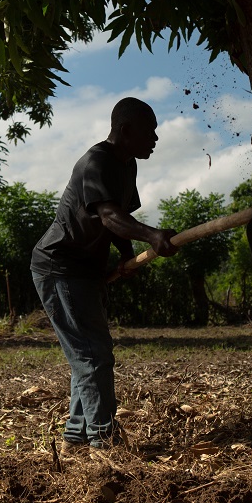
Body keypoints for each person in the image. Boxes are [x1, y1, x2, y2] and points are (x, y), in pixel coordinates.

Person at [31, 97, 179, 451]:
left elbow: (116, 222)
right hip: (60, 265)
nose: (156, 139)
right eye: (150, 132)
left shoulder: (127, 166)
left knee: (89, 354)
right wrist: (153, 236)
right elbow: (111, 216)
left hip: (86, 270)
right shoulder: (97, 162)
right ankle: (103, 440)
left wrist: (128, 257)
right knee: (92, 355)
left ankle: (76, 439)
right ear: (126, 131)